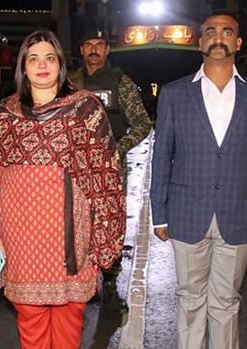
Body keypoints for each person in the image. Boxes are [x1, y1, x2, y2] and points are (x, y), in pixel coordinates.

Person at [0, 29, 125, 349]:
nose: (42, 66)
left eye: (49, 58)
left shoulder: (85, 109)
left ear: (60, 65)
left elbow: (106, 171)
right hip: (20, 227)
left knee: (69, 307)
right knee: (29, 308)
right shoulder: (4, 115)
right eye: (33, 59)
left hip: (69, 226)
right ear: (23, 68)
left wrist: (102, 230)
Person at [150, 11, 247, 349]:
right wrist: (159, 213)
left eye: (227, 32)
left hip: (239, 213)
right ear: (199, 42)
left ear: (239, 42)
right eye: (209, 32)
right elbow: (162, 157)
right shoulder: (173, 94)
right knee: (190, 301)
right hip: (186, 212)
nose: (217, 38)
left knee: (226, 302)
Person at [68, 26, 152, 309]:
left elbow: (142, 123)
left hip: (111, 167)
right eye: (88, 44)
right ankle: (83, 281)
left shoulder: (120, 81)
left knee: (110, 223)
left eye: (99, 45)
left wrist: (118, 148)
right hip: (76, 169)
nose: (94, 50)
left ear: (107, 49)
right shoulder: (69, 82)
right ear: (81, 50)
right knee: (77, 223)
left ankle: (112, 283)